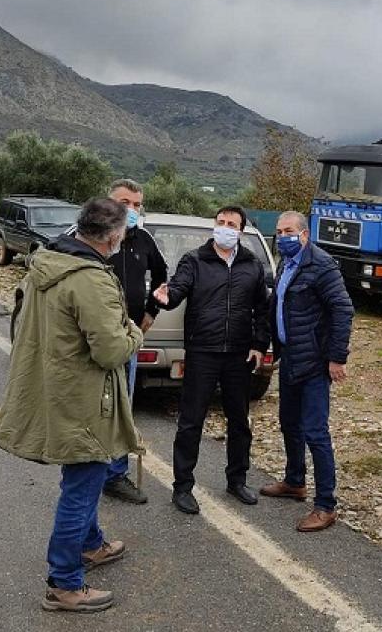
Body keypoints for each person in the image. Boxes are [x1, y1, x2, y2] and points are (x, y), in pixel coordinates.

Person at [0, 197, 143, 613]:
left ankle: (92, 544)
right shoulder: (90, 280)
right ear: (114, 237)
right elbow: (111, 351)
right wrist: (134, 333)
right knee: (83, 483)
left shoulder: (48, 261)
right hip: (84, 399)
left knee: (83, 476)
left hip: (53, 388)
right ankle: (64, 582)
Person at [153, 205, 270, 515]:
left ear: (241, 230)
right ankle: (182, 487)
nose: (225, 227)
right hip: (202, 351)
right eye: (220, 222)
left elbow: (262, 309)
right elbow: (178, 288)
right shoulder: (195, 260)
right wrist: (167, 297)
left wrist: (259, 344)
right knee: (191, 421)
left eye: (232, 223)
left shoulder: (252, 265)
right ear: (213, 226)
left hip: (239, 355)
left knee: (239, 422)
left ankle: (237, 479)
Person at [259, 211, 353, 532]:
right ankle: (295, 481)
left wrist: (336, 358)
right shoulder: (287, 263)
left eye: (288, 231)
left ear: (304, 235)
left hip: (314, 362)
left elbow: (342, 309)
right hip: (290, 359)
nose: (282, 236)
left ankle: (326, 505)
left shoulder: (321, 265)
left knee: (315, 432)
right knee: (289, 424)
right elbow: (280, 308)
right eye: (279, 231)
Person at [99, 178, 167, 505]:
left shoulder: (144, 239)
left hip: (128, 339)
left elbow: (162, 275)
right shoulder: (84, 237)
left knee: (123, 406)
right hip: (93, 341)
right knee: (91, 405)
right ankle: (87, 467)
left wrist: (152, 310)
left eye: (137, 204)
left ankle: (115, 474)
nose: (132, 209)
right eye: (125, 202)